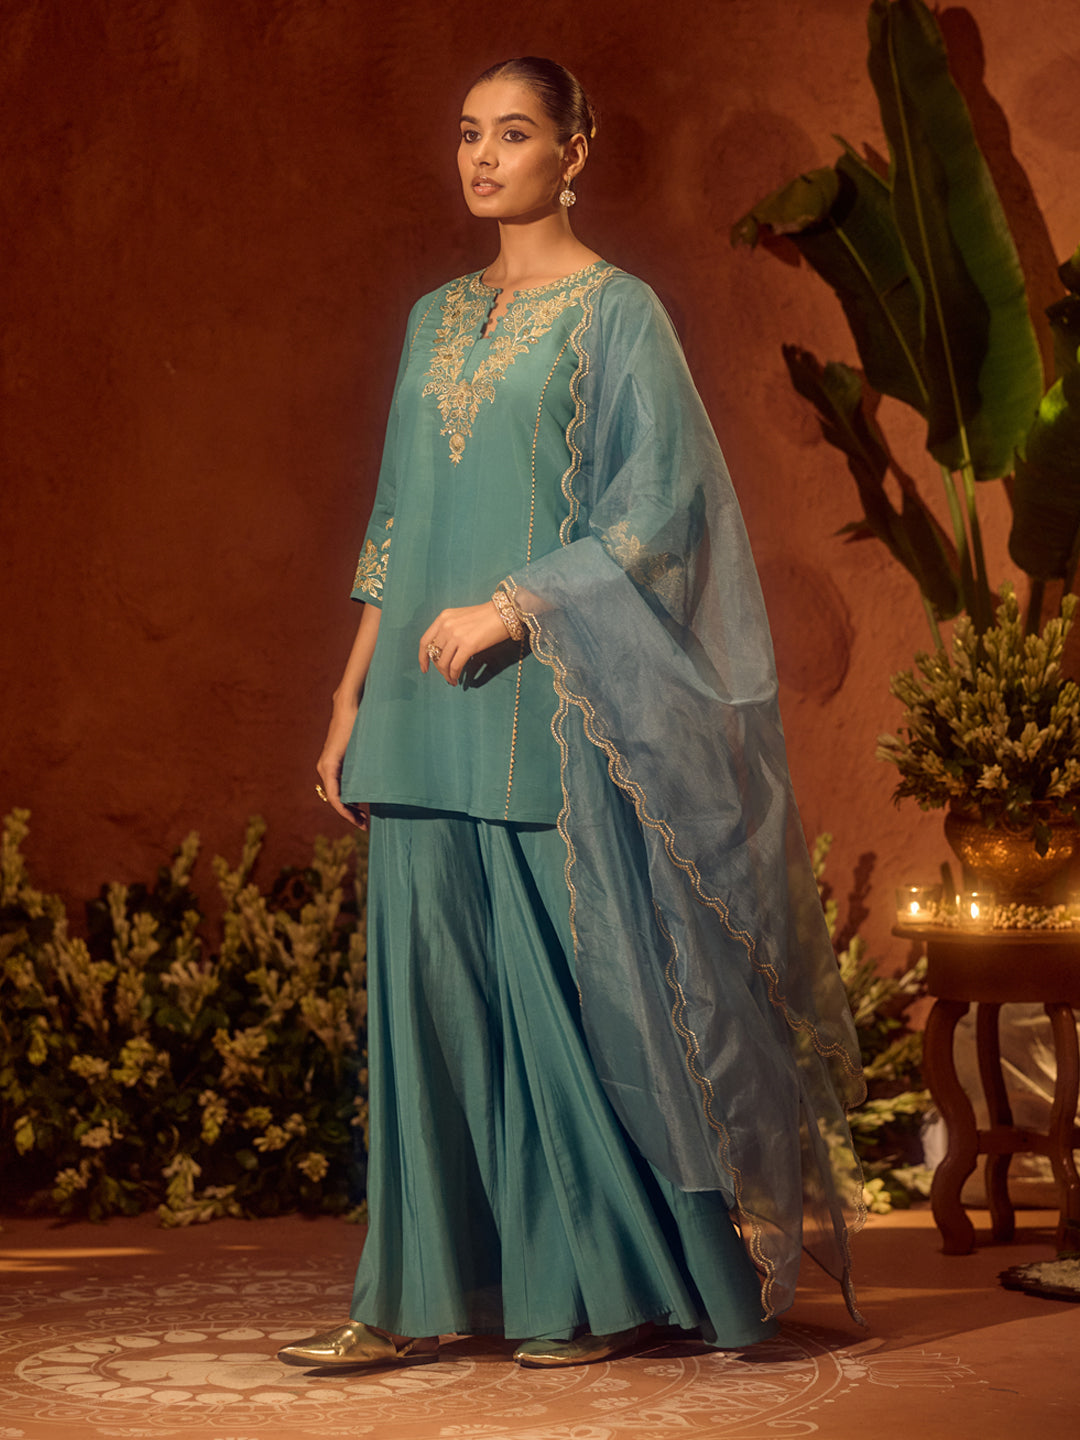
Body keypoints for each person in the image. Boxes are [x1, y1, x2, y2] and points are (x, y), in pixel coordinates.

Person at [278, 56, 866, 1373]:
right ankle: (408, 1299)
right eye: (469, 134)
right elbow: (393, 523)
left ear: (574, 152)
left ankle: (599, 1294)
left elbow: (660, 514)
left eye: (514, 133)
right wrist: (347, 692)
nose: (484, 157)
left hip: (538, 700)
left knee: (566, 1005)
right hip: (413, 710)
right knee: (429, 1012)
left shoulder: (618, 314)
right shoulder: (434, 318)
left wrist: (512, 608)